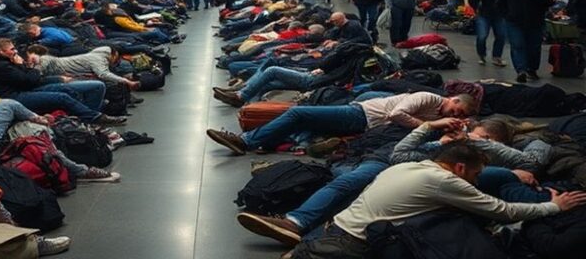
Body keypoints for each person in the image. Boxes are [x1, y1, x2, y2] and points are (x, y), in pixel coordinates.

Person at [287, 144, 586, 258]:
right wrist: (553, 206)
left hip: (336, 229)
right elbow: (503, 211)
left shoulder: (407, 166)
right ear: (459, 168)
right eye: (476, 173)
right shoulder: (444, 181)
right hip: (359, 246)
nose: (477, 180)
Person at [207, 91, 477, 155]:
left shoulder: (440, 116)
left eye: (461, 114)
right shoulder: (428, 99)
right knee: (303, 118)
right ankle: (259, 141)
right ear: (452, 98)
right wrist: (431, 124)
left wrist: (452, 124)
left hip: (363, 119)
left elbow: (397, 118)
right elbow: (397, 114)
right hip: (360, 114)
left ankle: (247, 141)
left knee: (300, 114)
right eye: (457, 107)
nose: (456, 113)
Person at [0, 81, 120, 182]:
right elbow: (40, 119)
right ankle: (80, 170)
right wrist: (47, 117)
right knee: (39, 135)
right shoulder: (7, 104)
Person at [0, 38, 124, 125]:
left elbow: (29, 79)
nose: (15, 51)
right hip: (14, 96)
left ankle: (87, 117)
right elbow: (29, 80)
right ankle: (94, 118)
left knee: (67, 89)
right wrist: (27, 66)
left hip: (24, 88)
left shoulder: (5, 63)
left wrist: (55, 78)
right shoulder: (1, 66)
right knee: (62, 96)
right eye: (11, 49)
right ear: (0, 52)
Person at [497, 0, 554, 83]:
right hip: (514, 23)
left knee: (534, 47)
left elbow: (548, 3)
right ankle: (521, 70)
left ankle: (532, 69)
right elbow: (499, 4)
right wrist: (507, 15)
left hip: (535, 23)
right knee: (518, 45)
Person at [27, 44, 140, 90]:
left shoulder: (96, 55)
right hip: (56, 68)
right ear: (114, 54)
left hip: (60, 70)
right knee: (105, 81)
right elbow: (103, 74)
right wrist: (126, 81)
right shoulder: (97, 58)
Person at [468, 0, 507, 67]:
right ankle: (482, 55)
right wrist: (477, 8)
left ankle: (497, 56)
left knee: (501, 36)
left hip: (499, 16)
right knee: (482, 36)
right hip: (483, 15)